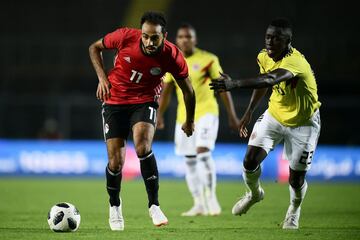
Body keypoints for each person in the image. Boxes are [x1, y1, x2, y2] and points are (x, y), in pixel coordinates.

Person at [88, 11, 195, 231]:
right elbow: (94, 48)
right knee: (116, 162)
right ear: (141, 33)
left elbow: (188, 91)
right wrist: (101, 78)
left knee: (142, 146)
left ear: (164, 35)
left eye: (154, 37)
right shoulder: (125, 36)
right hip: (114, 101)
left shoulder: (172, 55)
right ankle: (115, 206)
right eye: (145, 36)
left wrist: (189, 120)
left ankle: (154, 205)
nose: (149, 41)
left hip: (144, 101)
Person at [210, 18, 321, 229]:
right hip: (275, 116)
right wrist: (249, 111)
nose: (270, 42)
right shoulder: (264, 55)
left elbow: (271, 80)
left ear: (288, 41)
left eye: (276, 38)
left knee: (296, 179)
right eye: (268, 37)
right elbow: (263, 82)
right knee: (249, 160)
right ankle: (254, 194)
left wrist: (234, 84)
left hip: (304, 123)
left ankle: (293, 210)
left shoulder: (295, 62)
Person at [157, 24, 239, 216]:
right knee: (190, 160)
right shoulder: (171, 61)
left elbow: (222, 88)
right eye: (181, 36)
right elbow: (166, 92)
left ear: (195, 39)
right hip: (183, 118)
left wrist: (232, 116)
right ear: (176, 39)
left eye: (188, 36)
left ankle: (211, 197)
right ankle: (199, 203)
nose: (184, 40)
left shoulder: (209, 59)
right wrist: (159, 114)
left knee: (202, 152)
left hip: (207, 113)